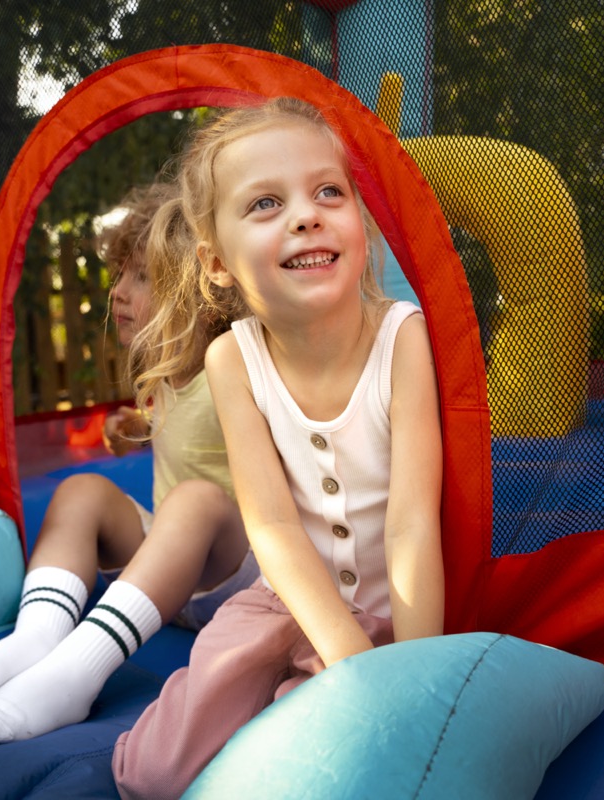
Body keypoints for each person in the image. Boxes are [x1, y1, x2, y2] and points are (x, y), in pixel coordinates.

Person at [111, 97, 445, 800]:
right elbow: (273, 527)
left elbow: (413, 524)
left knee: (339, 758)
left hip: (394, 615)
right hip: (281, 601)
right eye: (266, 204)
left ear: (363, 225)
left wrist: (410, 680)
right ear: (217, 263)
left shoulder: (401, 337)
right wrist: (348, 659)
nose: (306, 215)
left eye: (329, 192)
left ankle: (296, 706)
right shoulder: (234, 359)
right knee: (153, 775)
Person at [0, 182, 258, 743]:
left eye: (142, 277)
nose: (119, 293)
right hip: (167, 574)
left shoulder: (234, 366)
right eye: (121, 275)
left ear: (199, 293)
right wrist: (135, 425)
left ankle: (75, 674)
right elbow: (182, 428)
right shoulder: (163, 372)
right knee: (81, 490)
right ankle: (38, 634)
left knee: (196, 501)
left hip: (239, 572)